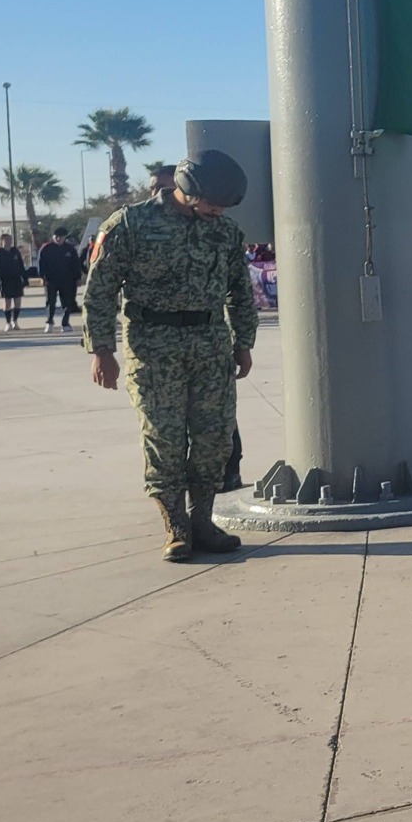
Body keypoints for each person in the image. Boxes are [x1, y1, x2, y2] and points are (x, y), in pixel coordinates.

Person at [83, 151, 258, 561]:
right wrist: (102, 350)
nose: (219, 211)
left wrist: (243, 343)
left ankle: (203, 521)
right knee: (164, 437)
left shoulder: (225, 232)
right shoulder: (130, 224)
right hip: (152, 345)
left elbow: (240, 292)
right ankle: (176, 526)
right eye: (214, 203)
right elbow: (100, 290)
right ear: (189, 190)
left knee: (215, 437)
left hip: (211, 343)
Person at [38, 226, 82, 331]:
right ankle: (49, 322)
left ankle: (65, 323)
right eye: (56, 237)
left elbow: (76, 264)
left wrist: (78, 278)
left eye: (61, 237)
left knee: (67, 302)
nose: (58, 239)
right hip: (51, 280)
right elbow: (41, 264)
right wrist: (42, 277)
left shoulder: (70, 249)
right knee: (51, 301)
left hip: (67, 280)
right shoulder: (46, 249)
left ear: (65, 237)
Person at [0, 235, 28, 330]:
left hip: (16, 279)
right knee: (7, 302)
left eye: (10, 240)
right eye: (6, 240)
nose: (8, 242)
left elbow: (21, 265)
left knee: (17, 301)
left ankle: (15, 321)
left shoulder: (15, 251)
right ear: (2, 241)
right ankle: (8, 322)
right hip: (5, 281)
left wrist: (25, 279)